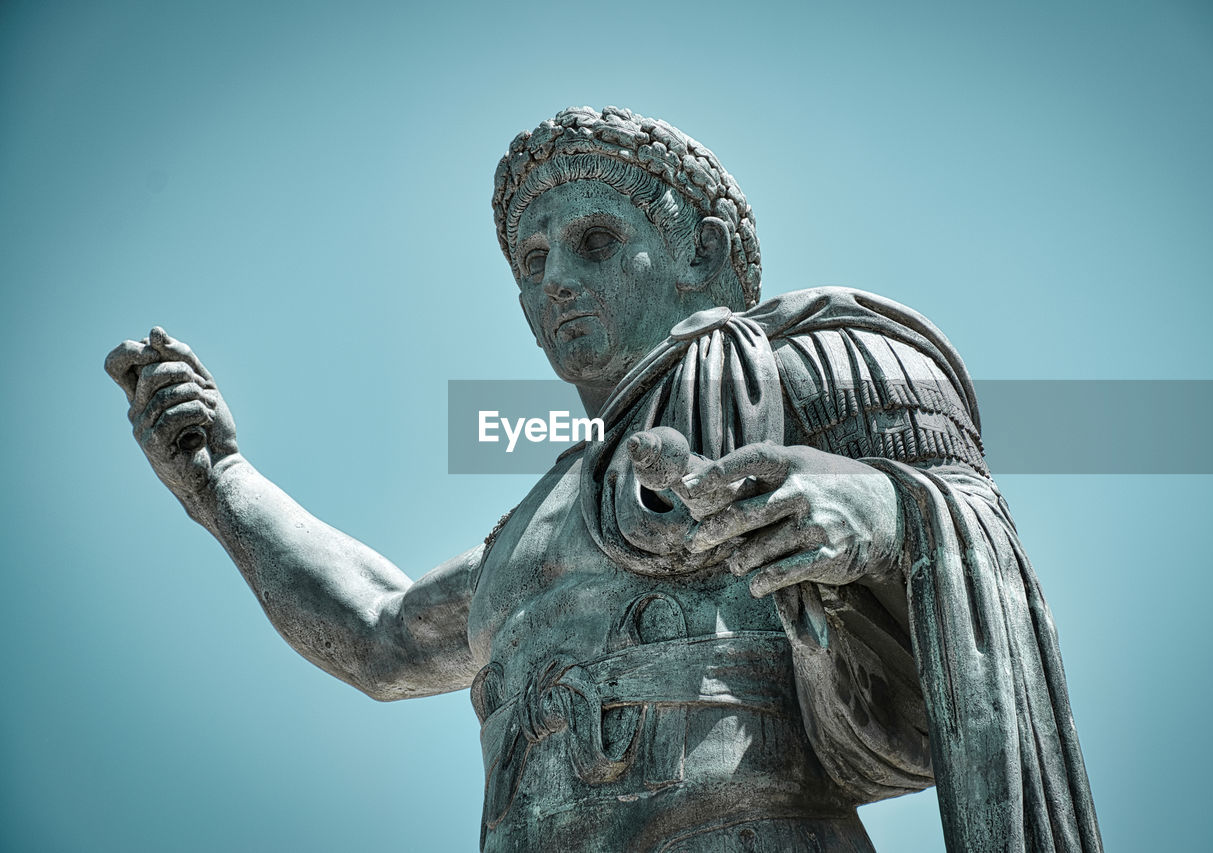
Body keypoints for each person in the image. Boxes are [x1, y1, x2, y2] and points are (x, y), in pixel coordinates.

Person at [106, 106, 1102, 852]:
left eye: (590, 241)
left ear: (698, 255)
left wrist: (877, 509)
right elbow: (377, 631)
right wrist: (217, 485)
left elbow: (975, 541)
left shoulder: (802, 366)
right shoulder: (533, 527)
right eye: (530, 261)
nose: (553, 284)